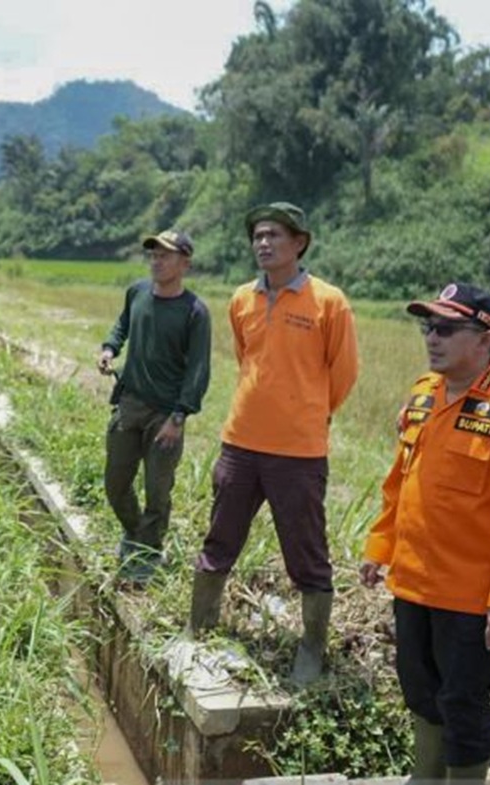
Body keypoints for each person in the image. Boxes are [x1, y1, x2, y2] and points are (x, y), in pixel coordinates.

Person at [361, 283, 490, 785]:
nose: (432, 338)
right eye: (428, 327)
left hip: (472, 598)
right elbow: (400, 478)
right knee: (420, 690)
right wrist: (380, 547)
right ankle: (425, 778)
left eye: (446, 328)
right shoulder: (423, 393)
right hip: (413, 582)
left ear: (485, 338)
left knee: (463, 704)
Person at [187, 201, 358, 686]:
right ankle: (199, 626)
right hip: (240, 442)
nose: (263, 244)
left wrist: (307, 413)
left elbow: (342, 374)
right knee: (220, 537)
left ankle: (310, 648)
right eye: (258, 236)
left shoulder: (329, 302)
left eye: (275, 236)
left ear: (299, 243)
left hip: (299, 452)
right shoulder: (242, 299)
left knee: (306, 550)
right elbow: (247, 358)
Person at [97, 229, 211, 586]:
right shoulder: (138, 293)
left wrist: (179, 416)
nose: (157, 261)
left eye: (165, 255)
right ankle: (135, 534)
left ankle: (146, 558)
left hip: (166, 415)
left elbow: (198, 369)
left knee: (158, 490)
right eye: (154, 254)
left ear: (184, 263)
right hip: (130, 404)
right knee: (115, 482)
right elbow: (123, 324)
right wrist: (110, 348)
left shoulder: (195, 312)